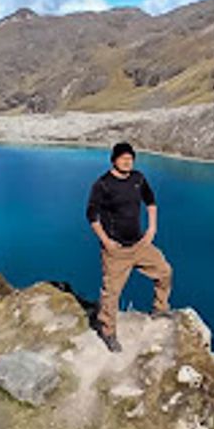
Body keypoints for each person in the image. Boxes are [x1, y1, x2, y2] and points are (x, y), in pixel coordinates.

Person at [85, 141, 173, 353]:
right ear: (114, 160)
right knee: (111, 293)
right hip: (116, 251)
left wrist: (152, 228)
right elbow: (91, 215)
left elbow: (150, 201)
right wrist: (106, 241)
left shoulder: (137, 178)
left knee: (165, 272)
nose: (127, 162)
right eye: (123, 158)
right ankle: (107, 331)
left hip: (140, 245)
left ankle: (160, 308)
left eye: (131, 158)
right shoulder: (103, 184)